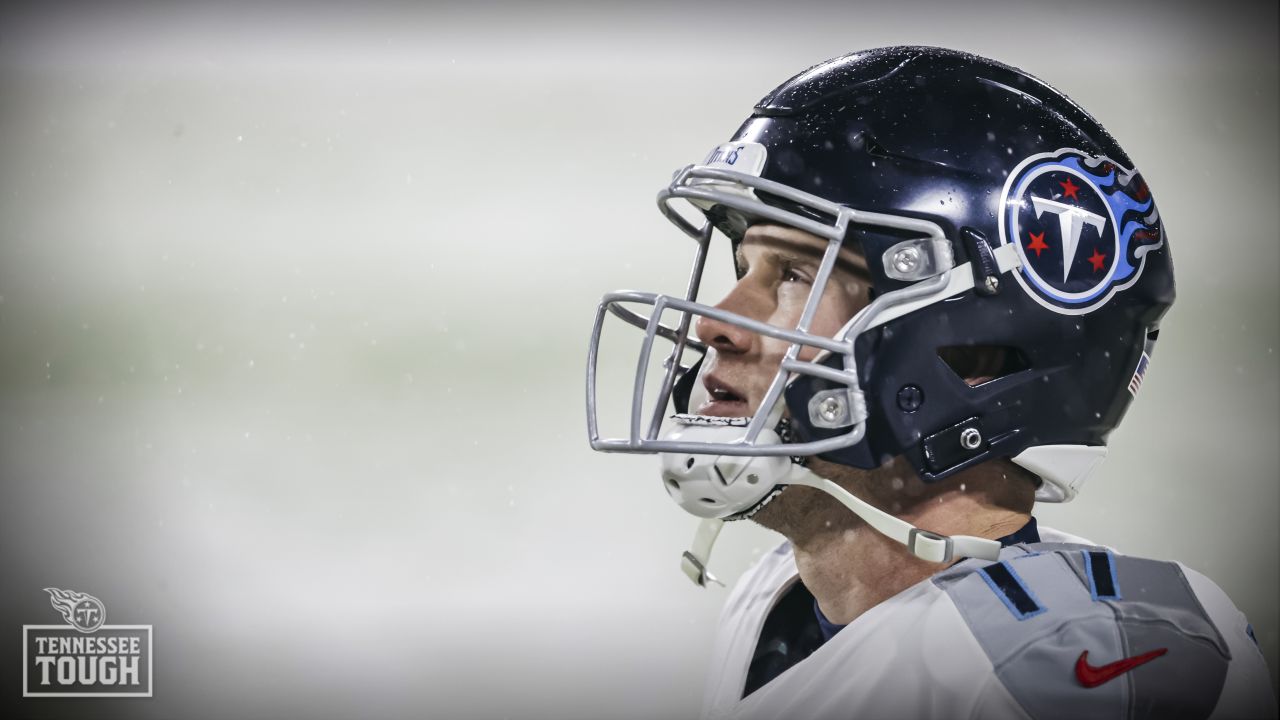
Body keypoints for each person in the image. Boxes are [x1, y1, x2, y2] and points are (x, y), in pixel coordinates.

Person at [585, 46, 1276, 718]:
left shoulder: (1070, 661)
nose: (720, 324)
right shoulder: (781, 602)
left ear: (972, 351)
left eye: (795, 274)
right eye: (744, 268)